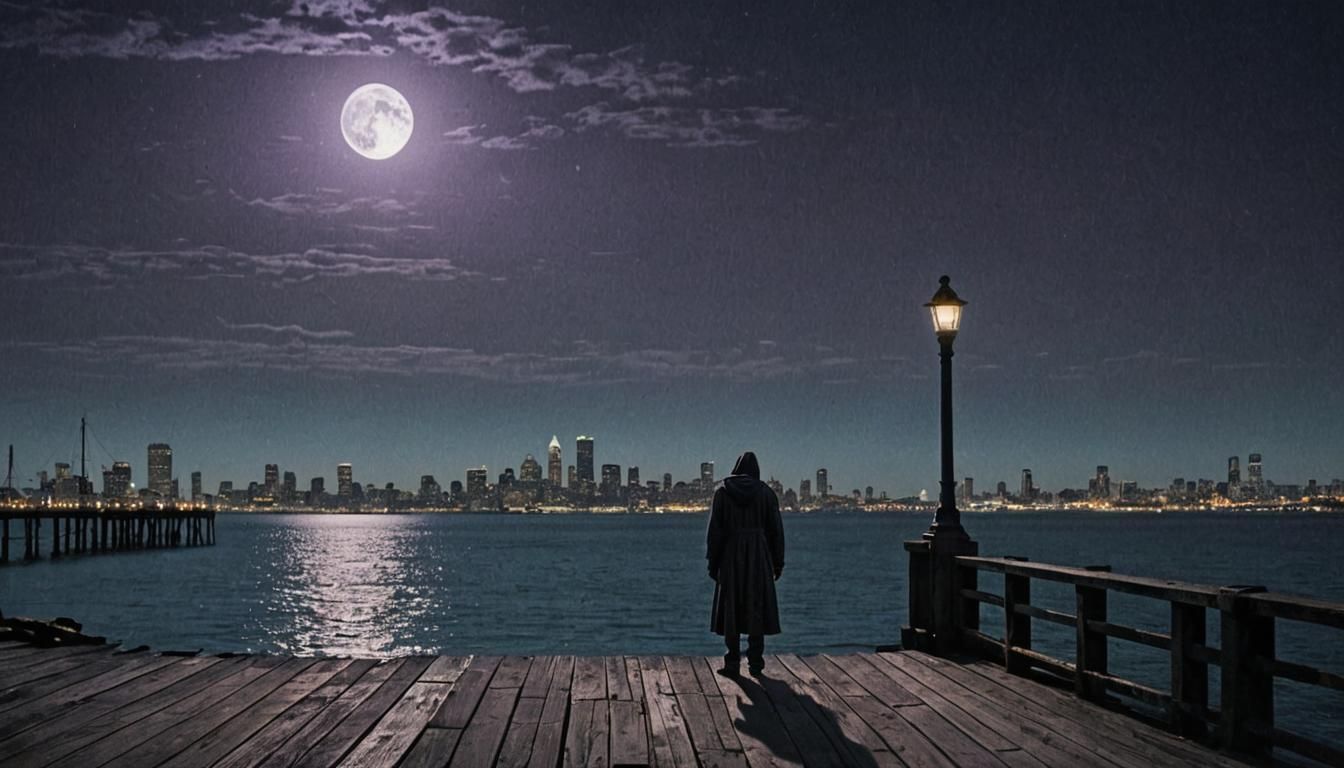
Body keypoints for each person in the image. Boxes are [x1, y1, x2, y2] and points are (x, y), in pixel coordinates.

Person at [706, 451, 785, 677]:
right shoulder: (767, 494)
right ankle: (756, 663)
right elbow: (776, 532)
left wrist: (713, 563)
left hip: (730, 555)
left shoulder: (722, 492)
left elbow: (715, 532)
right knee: (756, 605)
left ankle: (732, 662)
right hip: (759, 555)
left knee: (731, 607)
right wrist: (777, 563)